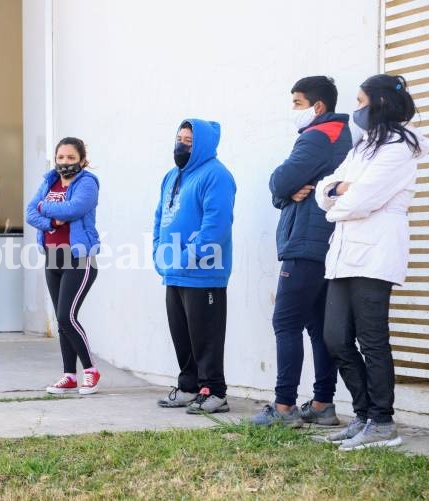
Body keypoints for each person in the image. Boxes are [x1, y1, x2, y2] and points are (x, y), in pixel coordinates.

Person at [315, 74, 429, 450]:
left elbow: (361, 199)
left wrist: (339, 201)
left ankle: (382, 422)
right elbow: (324, 189)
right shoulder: (363, 147)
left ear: (378, 104)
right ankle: (363, 415)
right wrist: (337, 192)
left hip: (376, 254)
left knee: (372, 339)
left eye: (361, 101)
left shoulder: (399, 147)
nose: (357, 109)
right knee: (335, 338)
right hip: (344, 255)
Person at [251, 76, 351, 427]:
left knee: (286, 321)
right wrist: (285, 194)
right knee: (318, 326)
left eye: (296, 103)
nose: (293, 110)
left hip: (307, 243)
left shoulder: (317, 137)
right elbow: (286, 191)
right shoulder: (341, 136)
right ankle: (323, 404)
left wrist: (283, 191)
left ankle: (284, 408)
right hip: (325, 243)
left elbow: (279, 180)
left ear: (317, 106)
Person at [153, 119, 236, 414]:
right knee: (182, 336)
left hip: (204, 273)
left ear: (201, 144)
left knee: (206, 336)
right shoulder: (171, 176)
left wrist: (189, 254)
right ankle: (188, 387)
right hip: (174, 272)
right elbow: (159, 217)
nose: (181, 145)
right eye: (179, 138)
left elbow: (216, 225)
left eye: (188, 141)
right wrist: (158, 253)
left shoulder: (216, 175)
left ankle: (214, 391)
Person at [26, 137, 101, 395]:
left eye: (71, 158)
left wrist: (44, 207)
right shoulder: (50, 181)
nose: (65, 163)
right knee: (62, 322)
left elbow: (74, 208)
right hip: (53, 256)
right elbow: (30, 213)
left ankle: (90, 371)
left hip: (79, 258)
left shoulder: (87, 183)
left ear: (81, 160)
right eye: (61, 158)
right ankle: (69, 375)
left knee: (66, 316)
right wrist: (51, 222)